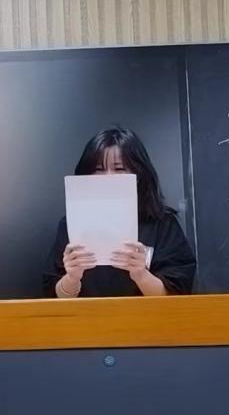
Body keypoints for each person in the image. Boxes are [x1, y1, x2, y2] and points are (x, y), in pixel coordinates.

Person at [43, 127, 196, 298]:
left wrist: (141, 275)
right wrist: (72, 278)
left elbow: (176, 294)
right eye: (99, 169)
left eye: (119, 168)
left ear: (138, 174)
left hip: (144, 315)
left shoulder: (162, 223)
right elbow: (52, 295)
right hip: (86, 315)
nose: (108, 177)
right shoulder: (70, 224)